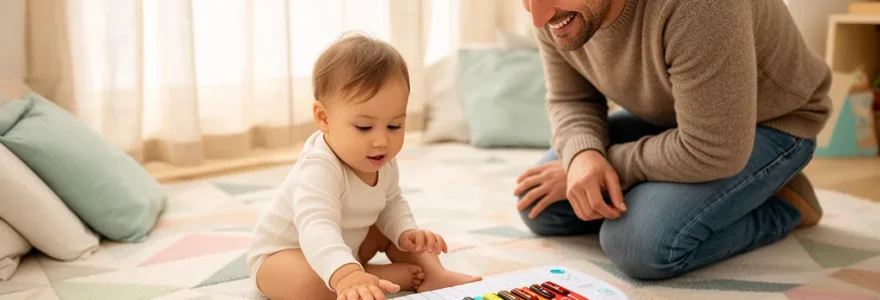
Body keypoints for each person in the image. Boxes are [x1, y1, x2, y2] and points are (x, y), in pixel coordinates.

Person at [514, 0, 830, 280]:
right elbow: (571, 98)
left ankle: (783, 205)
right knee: (541, 205)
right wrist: (582, 156)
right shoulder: (557, 14)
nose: (537, 17)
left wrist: (605, 165)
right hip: (671, 117)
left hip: (772, 124)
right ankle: (700, 191)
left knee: (636, 244)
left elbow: (713, 149)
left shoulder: (701, 7)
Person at [247, 33, 480, 300]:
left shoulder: (382, 160)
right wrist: (346, 275)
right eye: (364, 127)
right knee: (308, 287)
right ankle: (365, 275)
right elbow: (316, 227)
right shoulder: (318, 168)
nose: (381, 141)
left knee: (404, 235)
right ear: (324, 118)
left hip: (350, 244)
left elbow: (392, 202)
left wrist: (406, 231)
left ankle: (434, 274)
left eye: (394, 126)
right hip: (287, 254)